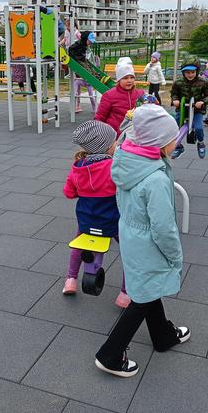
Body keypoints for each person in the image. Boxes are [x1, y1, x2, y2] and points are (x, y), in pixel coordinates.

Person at [95, 104, 190, 377]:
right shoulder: (156, 179)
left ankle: (163, 336)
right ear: (159, 142)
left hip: (131, 234)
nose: (176, 142)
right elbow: (163, 228)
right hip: (149, 242)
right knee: (143, 298)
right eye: (174, 138)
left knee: (149, 288)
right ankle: (110, 353)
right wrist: (175, 255)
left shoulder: (126, 158)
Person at [62, 120, 130, 308]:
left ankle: (70, 280)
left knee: (78, 247)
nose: (117, 144)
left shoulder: (78, 166)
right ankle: (125, 294)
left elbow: (68, 193)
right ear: (107, 146)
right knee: (129, 252)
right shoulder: (114, 166)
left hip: (87, 220)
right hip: (113, 220)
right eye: (115, 141)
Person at [170, 56, 208, 160]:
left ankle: (201, 143)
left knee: (198, 127)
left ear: (197, 71)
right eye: (187, 72)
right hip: (182, 109)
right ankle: (178, 146)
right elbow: (174, 94)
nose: (190, 75)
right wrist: (175, 101)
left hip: (196, 109)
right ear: (183, 72)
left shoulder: (203, 82)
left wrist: (202, 102)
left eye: (192, 72)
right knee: (173, 127)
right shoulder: (178, 82)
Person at [94, 62, 145, 136]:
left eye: (132, 77)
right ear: (119, 80)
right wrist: (98, 134)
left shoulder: (140, 94)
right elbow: (100, 116)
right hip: (115, 136)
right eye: (125, 78)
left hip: (136, 136)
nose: (129, 81)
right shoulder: (109, 95)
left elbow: (149, 112)